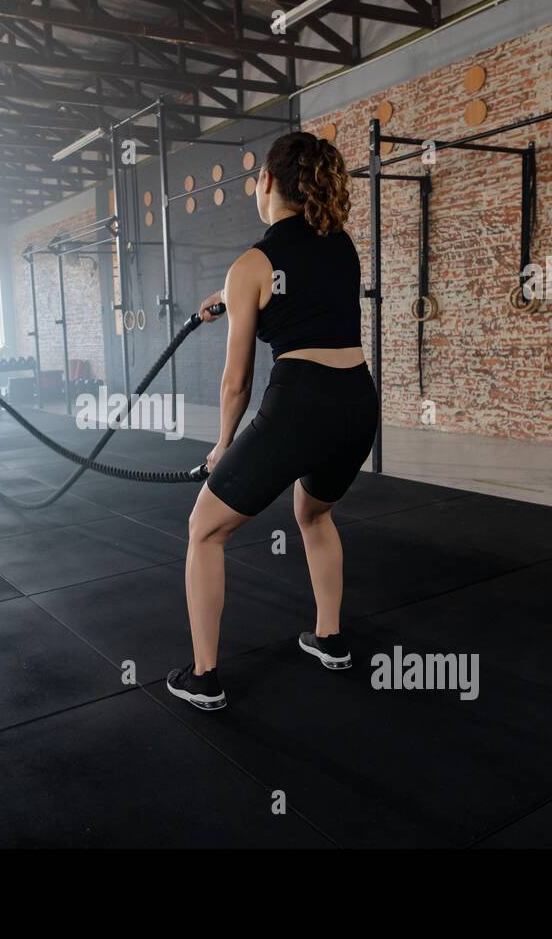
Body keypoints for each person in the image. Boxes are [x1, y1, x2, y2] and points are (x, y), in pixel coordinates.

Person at [165, 131, 379, 711]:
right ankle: (329, 637)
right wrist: (233, 297)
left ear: (266, 182)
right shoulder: (342, 245)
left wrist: (221, 446)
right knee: (313, 513)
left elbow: (236, 382)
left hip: (301, 404)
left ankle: (204, 675)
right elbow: (298, 294)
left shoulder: (251, 265)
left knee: (205, 529)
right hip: (359, 404)